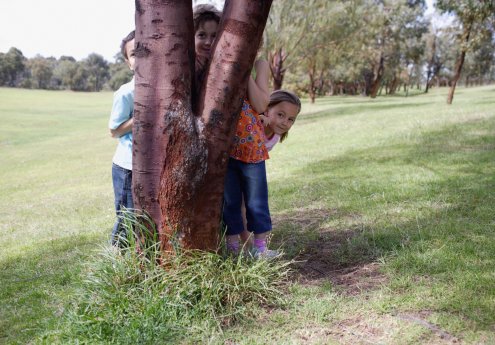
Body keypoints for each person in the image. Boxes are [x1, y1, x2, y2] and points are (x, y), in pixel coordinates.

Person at [239, 90, 302, 248]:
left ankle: (254, 245)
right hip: (236, 168)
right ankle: (248, 244)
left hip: (251, 170)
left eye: (290, 119)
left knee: (250, 204)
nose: (284, 122)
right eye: (280, 115)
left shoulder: (275, 136)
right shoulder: (256, 123)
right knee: (241, 205)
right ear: (267, 109)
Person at [108, 30, 135, 246]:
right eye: (134, 54)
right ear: (128, 62)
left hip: (148, 166)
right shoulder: (126, 92)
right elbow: (114, 130)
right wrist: (140, 117)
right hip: (127, 167)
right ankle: (118, 256)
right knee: (128, 215)